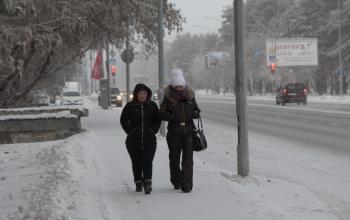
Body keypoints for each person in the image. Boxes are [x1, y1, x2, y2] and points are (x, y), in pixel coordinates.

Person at [159, 68, 200, 193]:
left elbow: (197, 110)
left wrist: (194, 114)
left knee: (188, 160)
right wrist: (172, 117)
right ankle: (176, 181)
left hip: (188, 132)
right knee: (174, 158)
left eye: (181, 86)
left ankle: (187, 185)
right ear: (173, 86)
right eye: (176, 86)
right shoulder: (168, 97)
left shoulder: (190, 96)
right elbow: (161, 114)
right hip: (174, 133)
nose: (179, 89)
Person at [120, 83, 161, 194]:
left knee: (147, 161)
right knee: (136, 162)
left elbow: (158, 120)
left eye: (144, 93)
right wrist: (130, 131)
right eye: (140, 93)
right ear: (136, 94)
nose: (142, 95)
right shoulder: (130, 106)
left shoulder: (152, 106)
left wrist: (153, 130)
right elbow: (123, 120)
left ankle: (147, 183)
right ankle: (138, 182)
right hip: (133, 141)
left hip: (149, 140)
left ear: (147, 94)